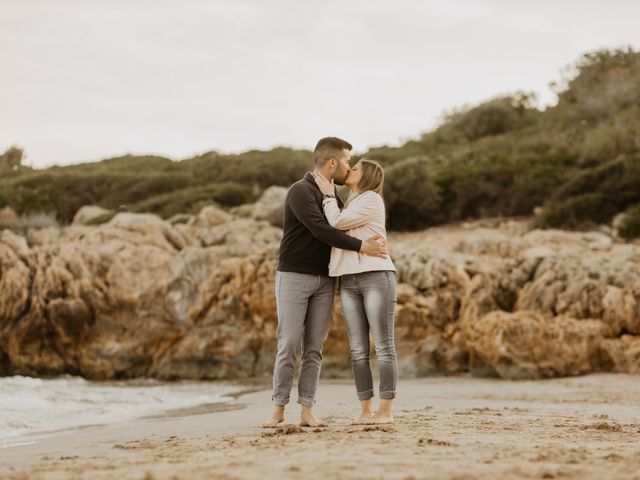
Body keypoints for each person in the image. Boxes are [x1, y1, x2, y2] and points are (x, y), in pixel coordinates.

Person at [262, 137, 388, 428]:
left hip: (325, 278)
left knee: (315, 348)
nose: (349, 167)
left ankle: (307, 411)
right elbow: (321, 230)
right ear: (333, 163)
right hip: (293, 275)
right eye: (347, 161)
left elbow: (341, 224)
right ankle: (278, 410)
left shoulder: (337, 196)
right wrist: (362, 247)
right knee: (289, 343)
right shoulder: (300, 191)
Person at [314, 158, 398, 424]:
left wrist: (328, 195)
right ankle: (365, 411)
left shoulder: (371, 199)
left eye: (356, 169)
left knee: (384, 346)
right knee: (358, 350)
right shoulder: (351, 201)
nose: (349, 170)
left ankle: (385, 411)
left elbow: (336, 223)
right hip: (348, 281)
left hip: (376, 276)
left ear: (368, 176)